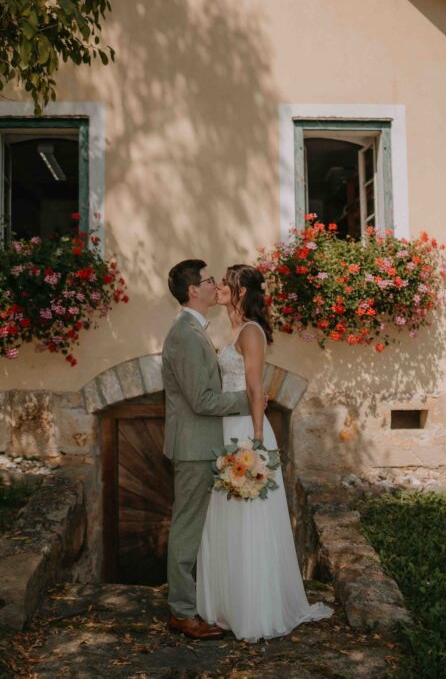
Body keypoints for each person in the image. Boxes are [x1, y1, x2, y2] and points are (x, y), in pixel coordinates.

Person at [196, 263, 333, 642]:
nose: (221, 287)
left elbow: (256, 388)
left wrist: (255, 443)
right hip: (230, 427)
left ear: (241, 292)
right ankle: (228, 604)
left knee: (248, 518)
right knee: (228, 516)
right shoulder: (236, 330)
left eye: (228, 282)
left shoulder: (252, 332)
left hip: (245, 432)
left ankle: (254, 609)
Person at [161, 259, 254, 640]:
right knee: (187, 529)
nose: (214, 284)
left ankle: (199, 603)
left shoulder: (195, 330)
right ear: (192, 291)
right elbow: (201, 400)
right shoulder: (184, 334)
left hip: (205, 445)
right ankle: (182, 612)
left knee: (201, 529)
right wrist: (249, 400)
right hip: (194, 447)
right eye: (207, 280)